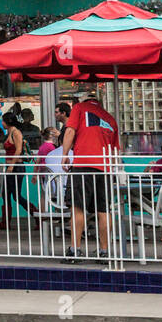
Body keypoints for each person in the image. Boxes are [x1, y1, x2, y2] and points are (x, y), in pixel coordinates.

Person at [62, 93, 120, 262]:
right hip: (105, 168)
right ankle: (104, 251)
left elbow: (70, 130)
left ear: (84, 100)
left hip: (83, 164)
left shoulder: (79, 108)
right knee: (104, 210)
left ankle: (75, 250)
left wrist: (65, 154)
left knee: (78, 207)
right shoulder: (110, 119)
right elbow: (116, 150)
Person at [0, 111, 33, 231]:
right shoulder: (8, 133)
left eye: (3, 120)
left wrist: (11, 166)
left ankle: (37, 215)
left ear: (8, 122)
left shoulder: (16, 133)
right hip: (9, 167)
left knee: (16, 196)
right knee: (5, 194)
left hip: (16, 167)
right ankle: (5, 222)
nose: (1, 122)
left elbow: (18, 150)